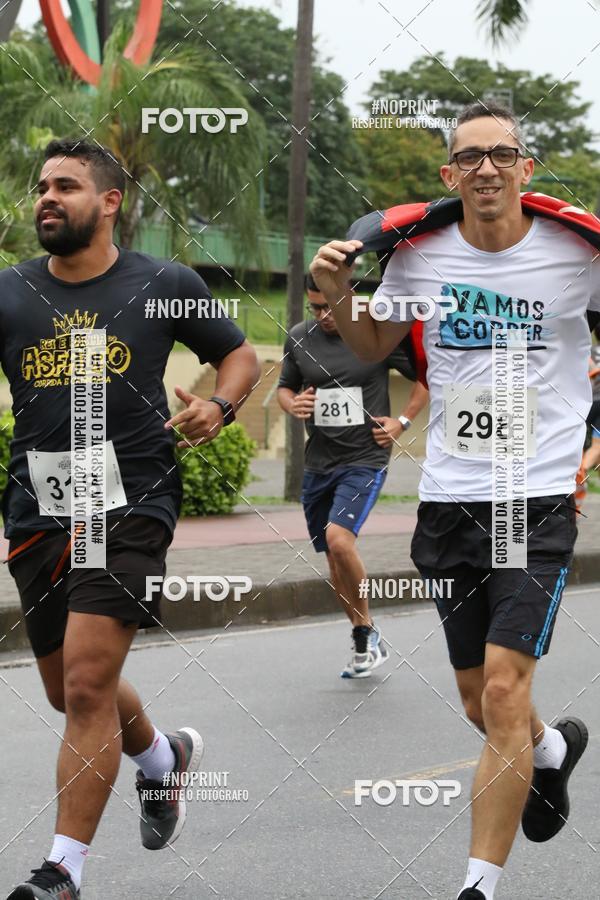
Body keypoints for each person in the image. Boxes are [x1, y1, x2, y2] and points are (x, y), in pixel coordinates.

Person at [310, 102, 599, 899]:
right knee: (480, 702)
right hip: (449, 499)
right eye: (468, 158)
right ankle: (546, 753)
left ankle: (477, 885)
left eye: (501, 153)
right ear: (448, 176)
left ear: (526, 167)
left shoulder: (578, 254)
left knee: (506, 688)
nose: (485, 169)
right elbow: (374, 347)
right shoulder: (421, 256)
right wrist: (337, 294)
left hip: (530, 497)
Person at [2, 139, 259, 899]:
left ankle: (62, 872)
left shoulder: (162, 282)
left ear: (110, 202)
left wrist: (220, 402)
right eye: (43, 186)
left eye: (68, 186)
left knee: (85, 685)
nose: (48, 198)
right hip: (40, 510)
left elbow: (238, 355)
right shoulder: (11, 291)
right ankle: (161, 759)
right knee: (71, 689)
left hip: (133, 501)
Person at [277, 273, 428, 678]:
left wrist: (402, 422)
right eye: (315, 307)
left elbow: (426, 382)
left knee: (338, 540)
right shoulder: (299, 337)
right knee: (334, 560)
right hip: (319, 462)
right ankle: (365, 633)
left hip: (366, 458)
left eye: (330, 306)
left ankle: (364, 633)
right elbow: (284, 388)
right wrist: (294, 405)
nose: (324, 315)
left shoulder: (374, 335)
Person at [575, 325, 600, 508]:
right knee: (597, 448)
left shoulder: (588, 351)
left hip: (587, 403)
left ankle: (578, 471)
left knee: (585, 445)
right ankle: (579, 473)